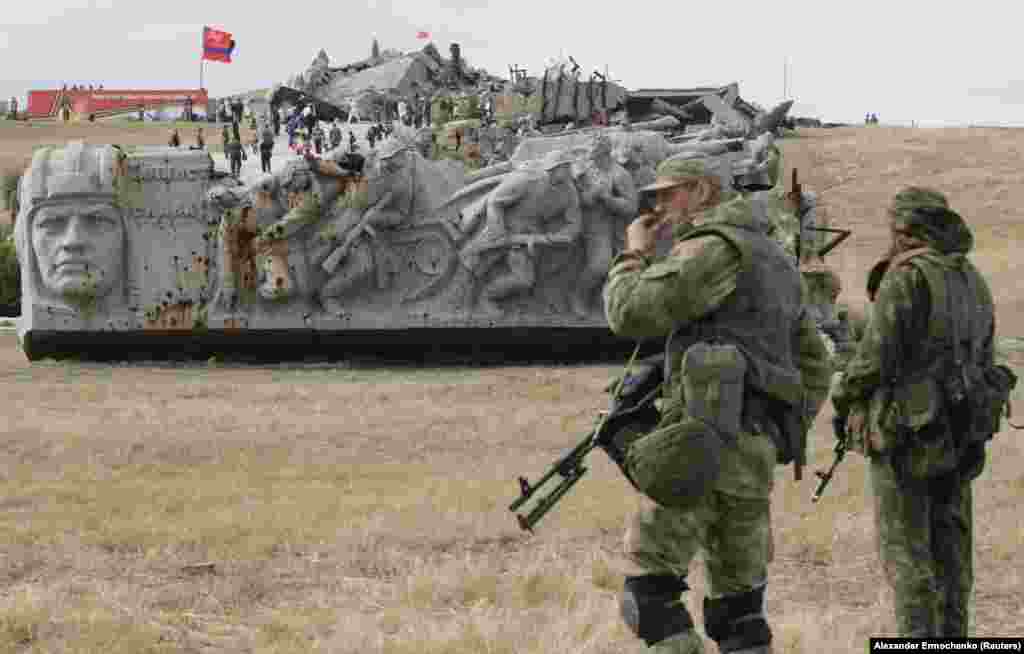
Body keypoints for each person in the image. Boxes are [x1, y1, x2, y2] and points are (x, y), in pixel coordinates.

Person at [602, 157, 832, 654]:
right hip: (753, 454)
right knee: (740, 612)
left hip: (700, 446)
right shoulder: (775, 259)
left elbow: (630, 311)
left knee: (650, 596)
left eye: (667, 194)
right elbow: (815, 362)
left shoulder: (713, 247)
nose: (657, 204)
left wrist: (634, 256)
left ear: (701, 191)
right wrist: (776, 429)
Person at [831, 188, 998, 637]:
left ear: (903, 228)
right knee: (952, 555)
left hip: (907, 433)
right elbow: (985, 354)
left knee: (907, 557)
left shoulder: (905, 276)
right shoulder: (970, 276)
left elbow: (873, 358)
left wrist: (844, 397)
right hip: (961, 431)